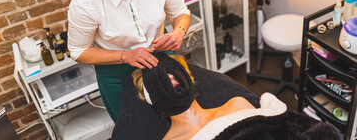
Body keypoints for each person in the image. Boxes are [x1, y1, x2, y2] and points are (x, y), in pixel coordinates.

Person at [131, 53, 343, 140]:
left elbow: (295, 128)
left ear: (189, 78)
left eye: (173, 72)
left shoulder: (236, 104)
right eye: (158, 79)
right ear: (150, 97)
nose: (170, 78)